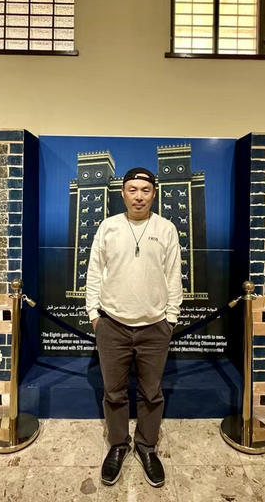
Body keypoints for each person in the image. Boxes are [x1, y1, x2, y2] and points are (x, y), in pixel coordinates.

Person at [85, 167, 182, 488]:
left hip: (155, 327)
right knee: (113, 393)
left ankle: (146, 446)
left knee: (151, 393)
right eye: (132, 189)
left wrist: (170, 318)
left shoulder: (166, 229)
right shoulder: (108, 226)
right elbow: (94, 272)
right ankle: (118, 445)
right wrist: (94, 314)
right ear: (123, 193)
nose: (139, 196)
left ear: (154, 193)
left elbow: (173, 275)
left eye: (145, 190)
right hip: (112, 325)